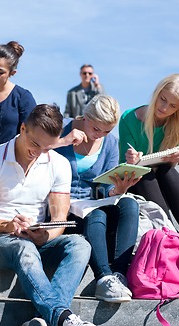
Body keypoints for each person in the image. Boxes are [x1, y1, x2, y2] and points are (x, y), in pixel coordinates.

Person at [0, 103, 96, 326]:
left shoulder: (59, 164)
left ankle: (45, 320)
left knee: (80, 245)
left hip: (32, 238)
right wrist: (8, 225)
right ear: (22, 128)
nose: (38, 153)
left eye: (47, 148)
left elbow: (59, 220)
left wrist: (46, 236)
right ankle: (63, 318)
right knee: (24, 249)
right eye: (35, 144)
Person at [55, 95, 140, 303]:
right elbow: (36, 152)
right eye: (96, 129)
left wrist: (116, 189)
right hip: (61, 204)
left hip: (91, 202)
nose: (99, 135)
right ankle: (103, 277)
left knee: (129, 203)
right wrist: (63, 141)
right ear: (85, 117)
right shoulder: (62, 127)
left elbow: (102, 187)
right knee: (97, 214)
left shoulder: (110, 143)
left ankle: (119, 275)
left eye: (107, 131)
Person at [119, 73, 179, 263]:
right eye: (163, 99)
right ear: (157, 92)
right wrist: (131, 159)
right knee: (144, 174)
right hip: (134, 182)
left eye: (172, 106)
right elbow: (123, 167)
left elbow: (166, 169)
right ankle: (173, 236)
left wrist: (174, 158)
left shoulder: (176, 124)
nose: (164, 107)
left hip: (160, 179)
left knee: (167, 171)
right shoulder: (129, 118)